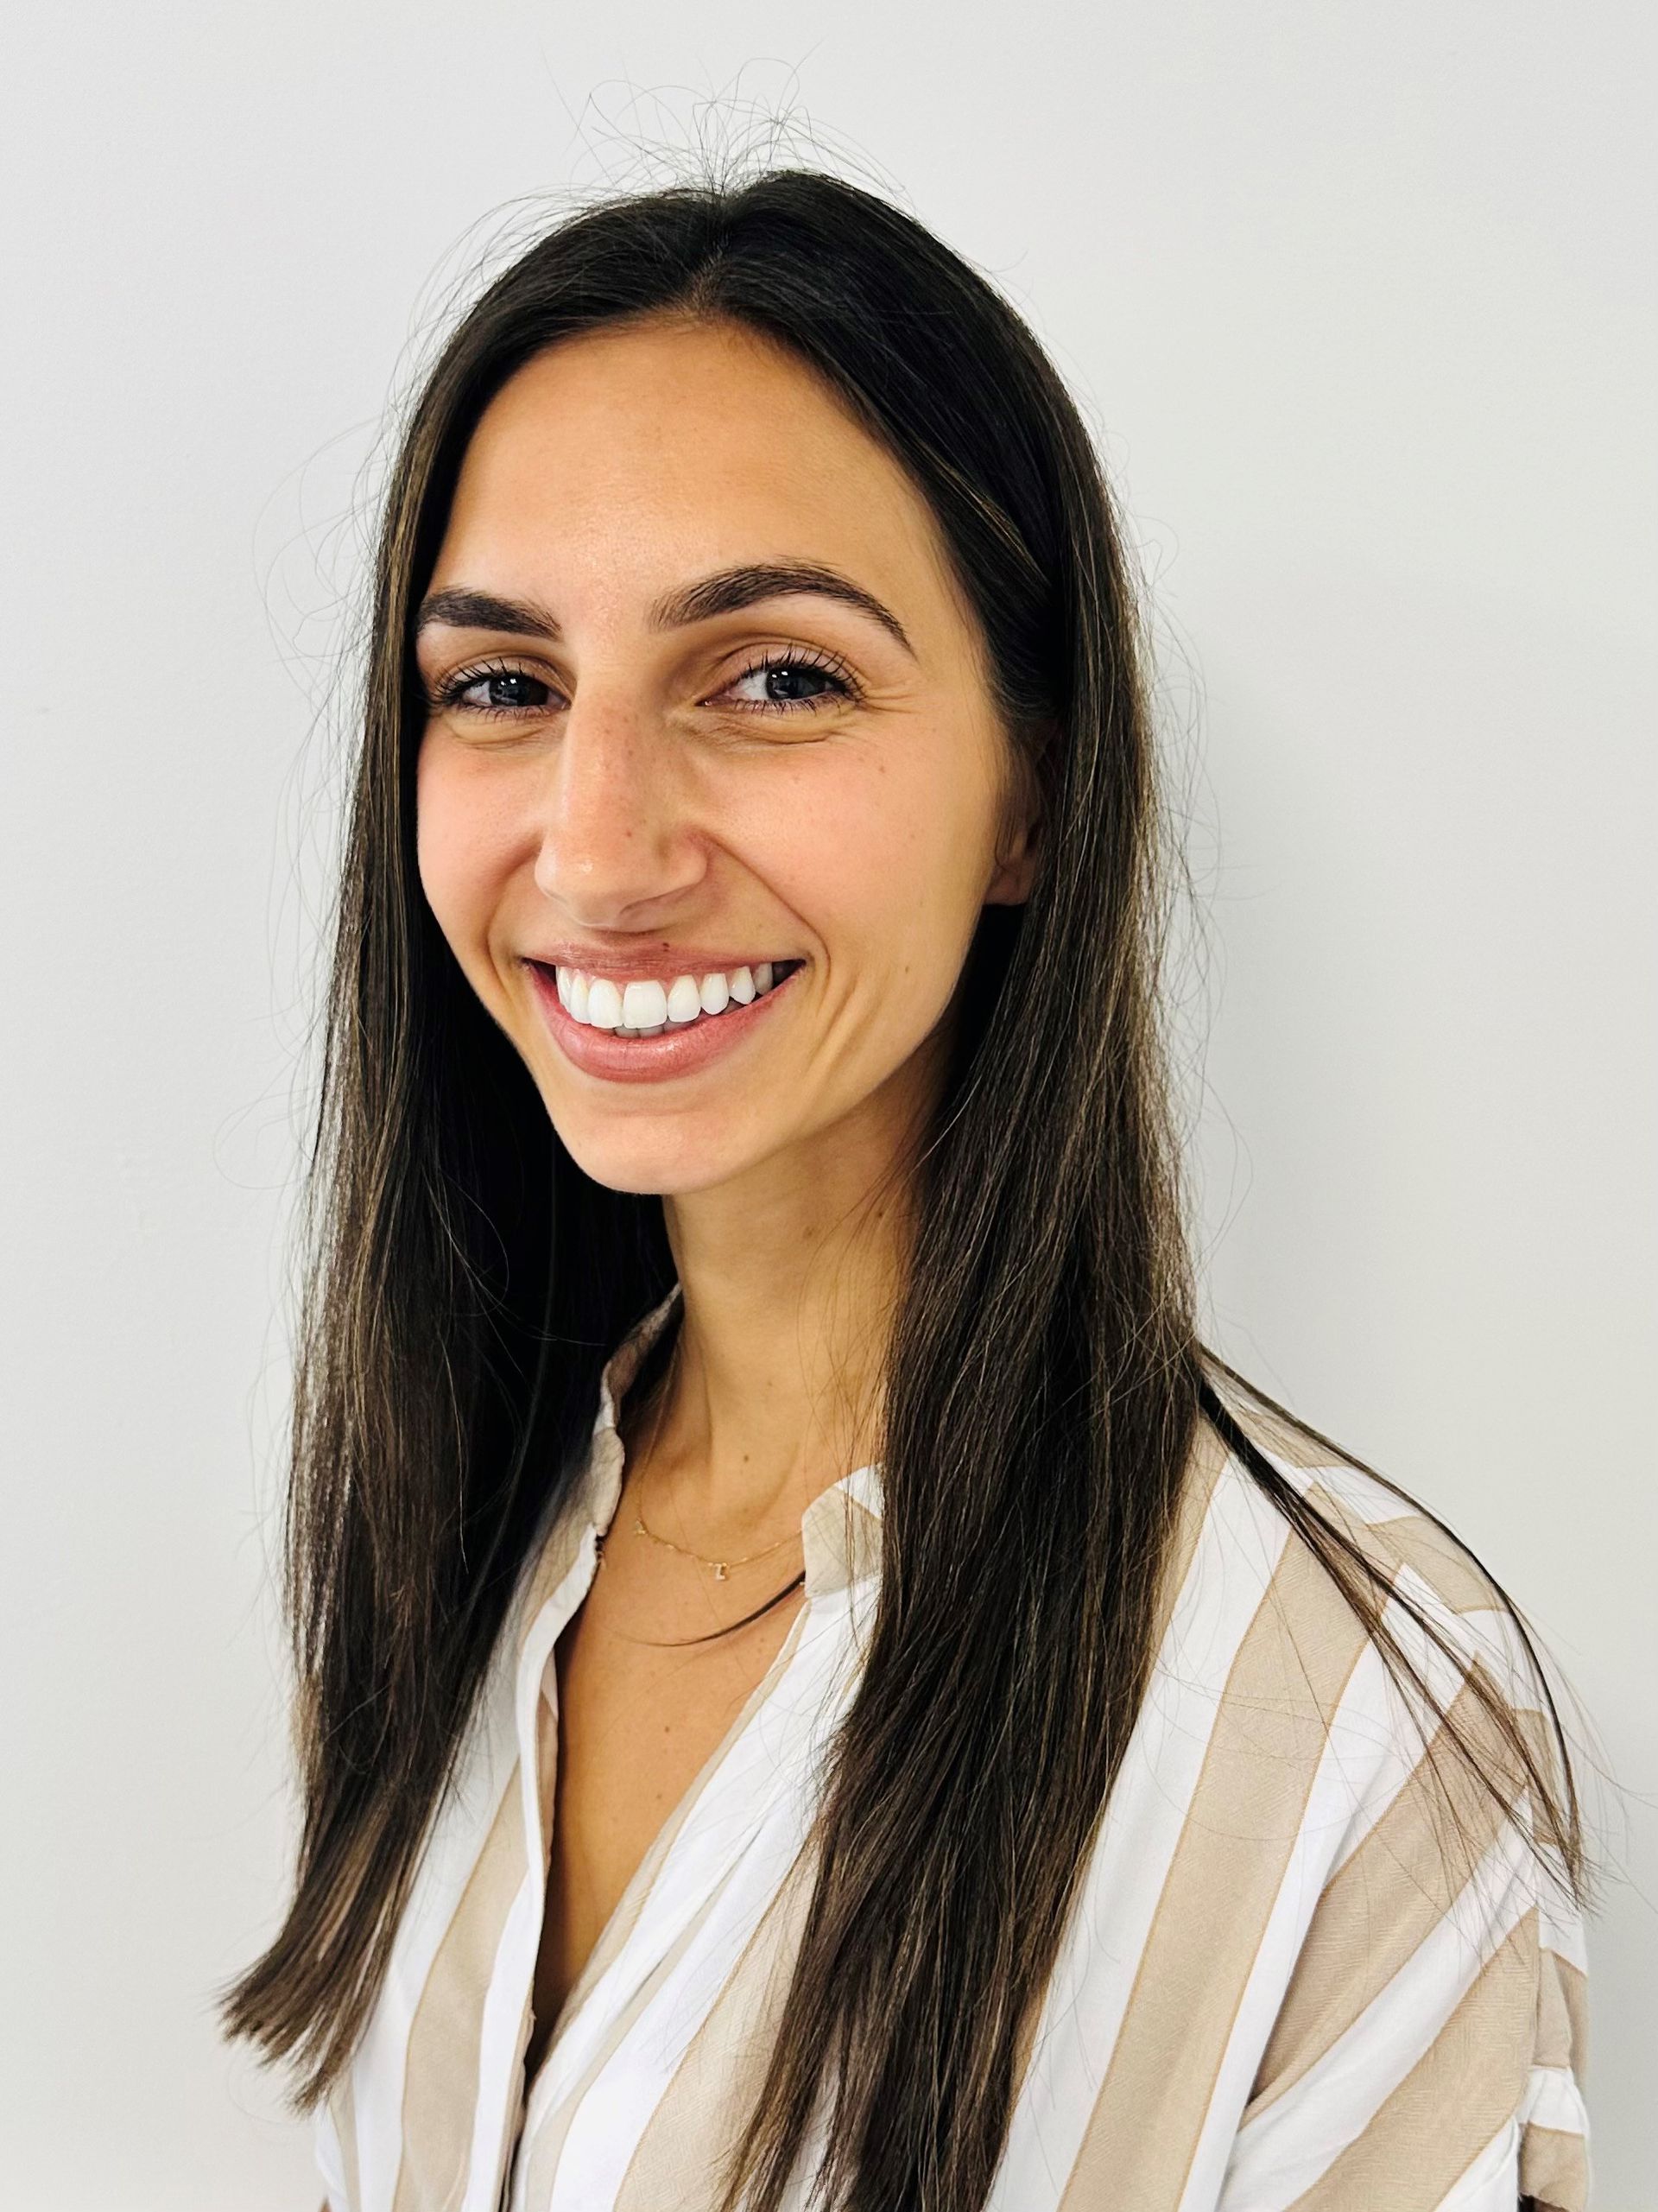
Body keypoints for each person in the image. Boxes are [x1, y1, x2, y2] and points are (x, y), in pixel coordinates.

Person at [222, 168, 1592, 2212]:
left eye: (773, 677)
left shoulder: (1343, 1716)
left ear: (1031, 788)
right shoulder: (447, 1534)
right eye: (501, 685)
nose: (596, 852)